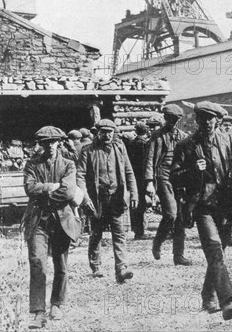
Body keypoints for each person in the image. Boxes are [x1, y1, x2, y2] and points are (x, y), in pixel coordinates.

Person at [170, 101, 232, 320]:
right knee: (214, 249)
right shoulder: (186, 145)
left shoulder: (229, 141)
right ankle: (227, 300)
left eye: (210, 118)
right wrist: (192, 171)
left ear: (217, 120)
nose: (206, 122)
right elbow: (174, 176)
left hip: (225, 205)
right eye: (202, 118)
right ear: (197, 120)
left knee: (218, 254)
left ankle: (208, 296)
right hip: (201, 206)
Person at [23, 126, 82, 329]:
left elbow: (68, 192)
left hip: (61, 220)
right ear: (40, 144)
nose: (49, 146)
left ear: (59, 142)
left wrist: (46, 192)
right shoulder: (32, 164)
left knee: (61, 263)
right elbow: (30, 188)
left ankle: (57, 303)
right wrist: (52, 187)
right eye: (45, 142)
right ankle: (38, 311)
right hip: (38, 219)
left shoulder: (68, 165)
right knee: (38, 262)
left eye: (53, 142)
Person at [77, 119, 139, 282]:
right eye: (104, 132)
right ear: (97, 133)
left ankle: (122, 268)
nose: (107, 135)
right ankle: (96, 266)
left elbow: (129, 171)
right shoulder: (87, 151)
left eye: (110, 132)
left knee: (119, 233)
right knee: (96, 233)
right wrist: (85, 197)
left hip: (116, 198)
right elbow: (80, 176)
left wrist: (134, 193)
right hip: (97, 200)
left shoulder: (119, 148)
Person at [145, 105, 192, 266]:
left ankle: (178, 255)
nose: (172, 122)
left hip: (179, 177)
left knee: (180, 217)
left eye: (176, 119)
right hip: (162, 176)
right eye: (170, 119)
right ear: (165, 119)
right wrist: (149, 183)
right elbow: (150, 159)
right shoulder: (157, 136)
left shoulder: (184, 136)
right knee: (171, 214)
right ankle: (157, 242)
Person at [126, 121, 150, 240]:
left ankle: (137, 230)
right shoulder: (144, 144)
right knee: (141, 204)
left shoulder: (131, 143)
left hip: (133, 176)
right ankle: (140, 231)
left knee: (135, 203)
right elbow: (146, 162)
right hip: (142, 177)